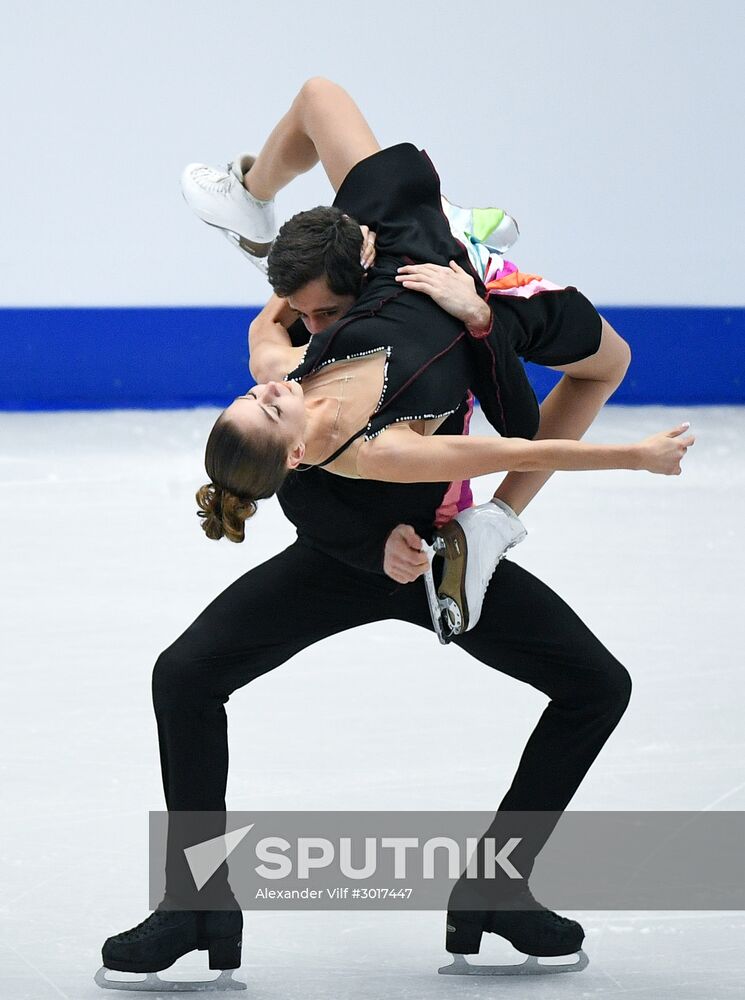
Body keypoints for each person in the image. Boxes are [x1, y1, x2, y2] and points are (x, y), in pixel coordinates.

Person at [99, 79, 692, 987]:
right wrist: (633, 456)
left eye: (253, 394)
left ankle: (498, 888)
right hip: (374, 552)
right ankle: (194, 905)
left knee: (594, 688)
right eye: (267, 410)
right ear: (293, 456)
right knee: (184, 676)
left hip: (438, 561)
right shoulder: (374, 454)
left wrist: (256, 200)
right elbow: (520, 440)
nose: (263, 389)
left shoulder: (301, 349)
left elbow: (315, 118)